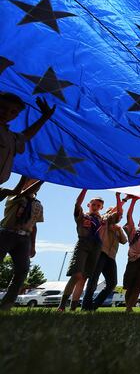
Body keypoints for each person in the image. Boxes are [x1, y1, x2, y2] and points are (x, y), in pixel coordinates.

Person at [58, 189, 121, 311]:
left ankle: (73, 308)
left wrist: (120, 199)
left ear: (102, 208)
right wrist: (85, 188)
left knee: (84, 278)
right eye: (93, 204)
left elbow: (117, 213)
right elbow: (77, 205)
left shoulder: (102, 219)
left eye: (98, 205)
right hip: (83, 244)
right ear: (88, 205)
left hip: (96, 246)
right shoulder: (83, 216)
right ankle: (62, 305)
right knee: (76, 275)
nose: (96, 207)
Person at [0, 178, 44, 311]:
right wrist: (43, 179)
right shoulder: (14, 195)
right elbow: (23, 193)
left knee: (23, 270)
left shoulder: (38, 204)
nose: (35, 184)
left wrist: (33, 245)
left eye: (36, 182)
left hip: (24, 238)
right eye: (32, 181)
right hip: (6, 234)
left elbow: (34, 225)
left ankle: (6, 304)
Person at [82, 193, 128, 311]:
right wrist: (122, 199)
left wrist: (118, 230)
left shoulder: (117, 228)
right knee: (93, 279)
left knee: (112, 282)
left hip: (111, 256)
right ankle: (86, 306)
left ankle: (94, 305)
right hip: (100, 252)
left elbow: (124, 241)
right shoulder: (103, 220)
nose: (118, 216)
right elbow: (115, 212)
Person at [0, 93, 55, 191]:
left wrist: (45, 117)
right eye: (3, 108)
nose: (7, 113)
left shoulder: (9, 137)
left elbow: (24, 137)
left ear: (16, 116)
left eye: (13, 112)